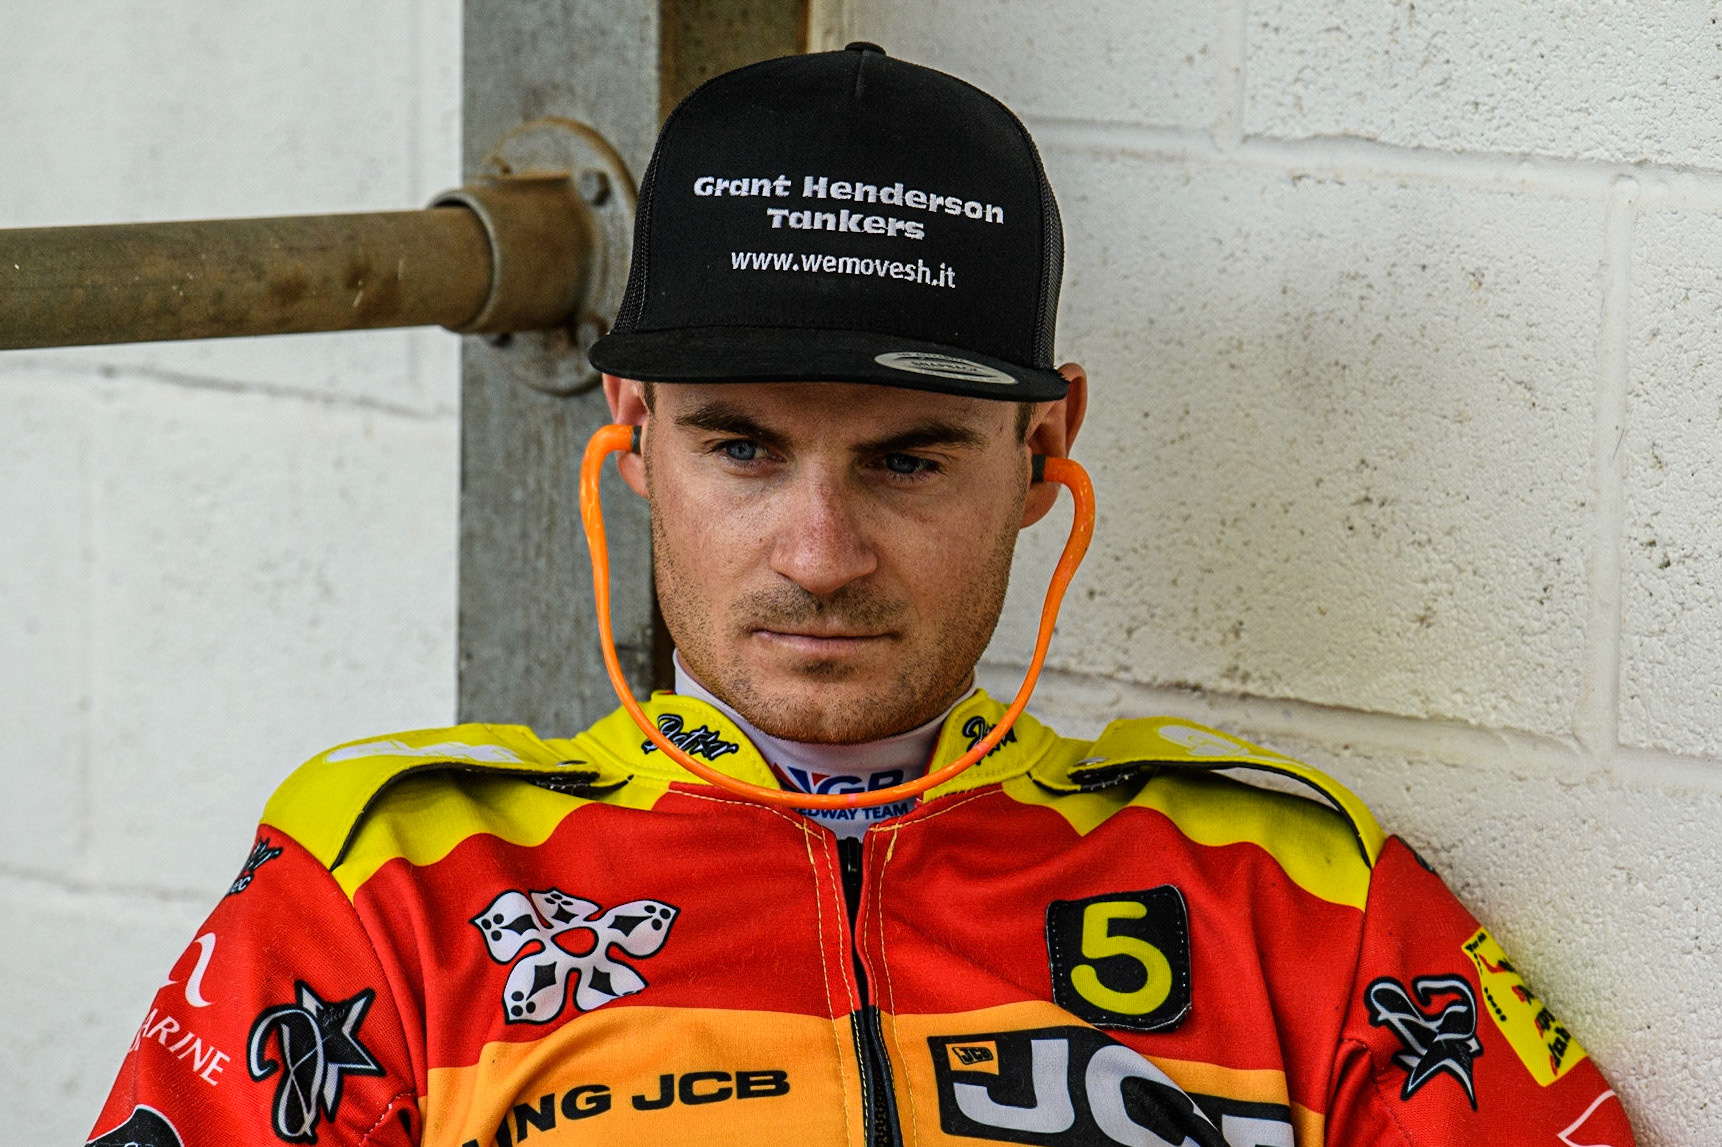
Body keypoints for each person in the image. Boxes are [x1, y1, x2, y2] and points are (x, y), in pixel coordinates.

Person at [89, 44, 1635, 1147]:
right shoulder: (387, 884)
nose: (820, 555)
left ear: (1043, 450)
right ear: (629, 432)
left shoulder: (1291, 889)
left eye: (906, 462)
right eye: (741, 447)